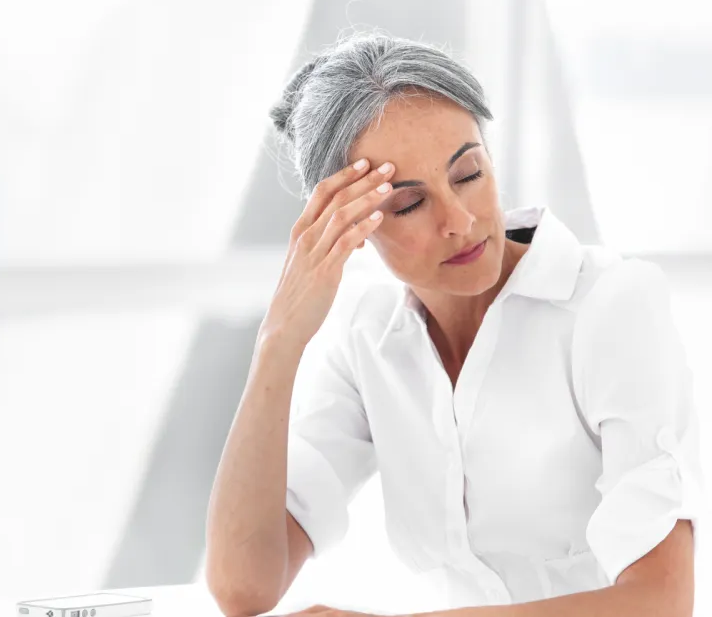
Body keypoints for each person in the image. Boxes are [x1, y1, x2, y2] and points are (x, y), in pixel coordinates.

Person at [204, 32, 703, 617]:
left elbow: (662, 602)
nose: (461, 220)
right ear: (350, 225)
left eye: (468, 173)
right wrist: (279, 340)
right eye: (410, 204)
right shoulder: (369, 341)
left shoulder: (611, 306)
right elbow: (243, 586)